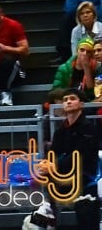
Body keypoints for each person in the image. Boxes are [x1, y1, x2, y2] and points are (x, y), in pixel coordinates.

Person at [42, 89, 100, 228]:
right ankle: (47, 214)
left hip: (85, 181)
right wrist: (47, 165)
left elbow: (79, 156)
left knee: (87, 221)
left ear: (81, 104)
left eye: (72, 98)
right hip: (62, 180)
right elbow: (54, 154)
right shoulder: (60, 131)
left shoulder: (88, 128)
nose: (68, 101)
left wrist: (54, 165)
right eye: (65, 99)